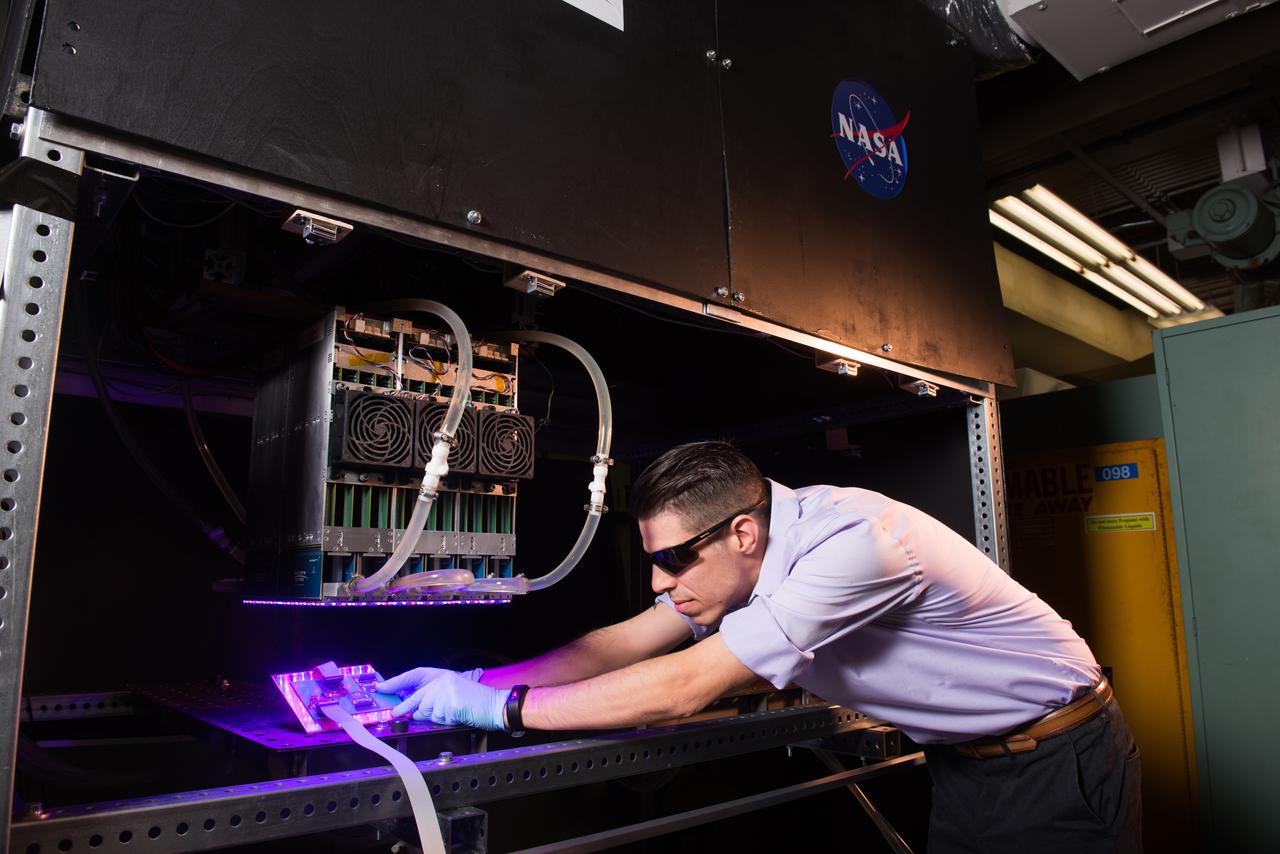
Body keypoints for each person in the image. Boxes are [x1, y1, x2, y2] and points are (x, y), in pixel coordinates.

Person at [378, 441, 1142, 852]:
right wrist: (473, 677)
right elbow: (625, 644)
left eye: (673, 560)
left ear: (742, 532)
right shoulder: (744, 560)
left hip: (1056, 757)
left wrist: (500, 710)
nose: (656, 583)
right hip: (969, 763)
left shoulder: (853, 544)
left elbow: (686, 685)